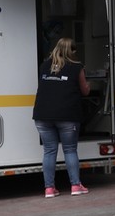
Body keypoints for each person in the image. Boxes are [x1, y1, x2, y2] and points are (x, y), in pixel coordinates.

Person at [32, 37, 91, 198]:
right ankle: (75, 186)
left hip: (42, 114)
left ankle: (49, 189)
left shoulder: (44, 65)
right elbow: (85, 91)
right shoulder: (77, 67)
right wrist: (89, 86)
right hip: (67, 115)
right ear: (72, 51)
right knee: (70, 150)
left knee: (49, 151)